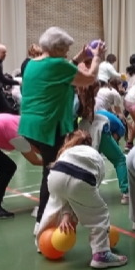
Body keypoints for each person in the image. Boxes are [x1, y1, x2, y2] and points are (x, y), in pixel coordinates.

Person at [18, 27, 105, 227]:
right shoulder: (59, 65)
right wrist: (97, 58)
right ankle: (42, 222)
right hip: (49, 127)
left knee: (51, 170)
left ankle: (48, 216)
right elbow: (89, 78)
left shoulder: (32, 63)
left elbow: (59, 70)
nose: (67, 53)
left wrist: (78, 58)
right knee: (52, 173)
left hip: (30, 127)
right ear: (56, 49)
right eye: (65, 49)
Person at [36, 131, 128, 269]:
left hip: (55, 176)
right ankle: (101, 254)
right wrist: (74, 215)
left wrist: (67, 215)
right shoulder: (95, 155)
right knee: (100, 215)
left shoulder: (67, 152)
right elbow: (85, 193)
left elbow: (68, 194)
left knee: (52, 209)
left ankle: (42, 243)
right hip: (82, 179)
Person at [77, 83, 129, 204]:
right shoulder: (89, 100)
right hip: (99, 129)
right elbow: (116, 134)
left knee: (87, 162)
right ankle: (126, 193)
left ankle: (84, 192)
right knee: (120, 159)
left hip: (83, 129)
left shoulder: (79, 99)